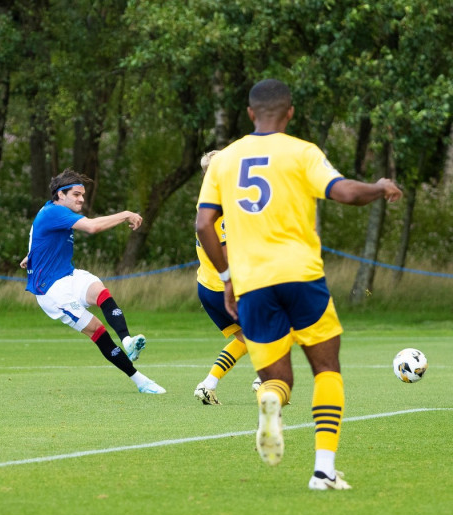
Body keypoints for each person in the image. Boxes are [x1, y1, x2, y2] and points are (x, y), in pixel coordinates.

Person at [196, 78, 402, 490]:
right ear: (290, 112)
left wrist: (226, 279)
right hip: (301, 276)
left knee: (278, 379)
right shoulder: (301, 152)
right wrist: (379, 188)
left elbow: (203, 224)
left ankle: (269, 401)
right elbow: (344, 192)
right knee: (326, 368)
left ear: (251, 114)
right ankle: (324, 469)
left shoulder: (224, 159)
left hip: (252, 284)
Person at [21, 169, 166, 394]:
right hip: (52, 291)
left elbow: (36, 236)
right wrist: (126, 214)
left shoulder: (50, 212)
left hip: (68, 275)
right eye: (76, 194)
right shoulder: (54, 213)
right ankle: (140, 381)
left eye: (83, 195)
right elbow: (92, 227)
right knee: (97, 330)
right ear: (60, 195)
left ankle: (127, 341)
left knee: (100, 291)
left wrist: (31, 257)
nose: (81, 199)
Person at [192, 151, 257, 405]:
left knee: (244, 338)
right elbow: (227, 252)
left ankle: (208, 385)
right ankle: (266, 380)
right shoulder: (219, 207)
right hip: (225, 287)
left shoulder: (208, 202)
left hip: (206, 286)